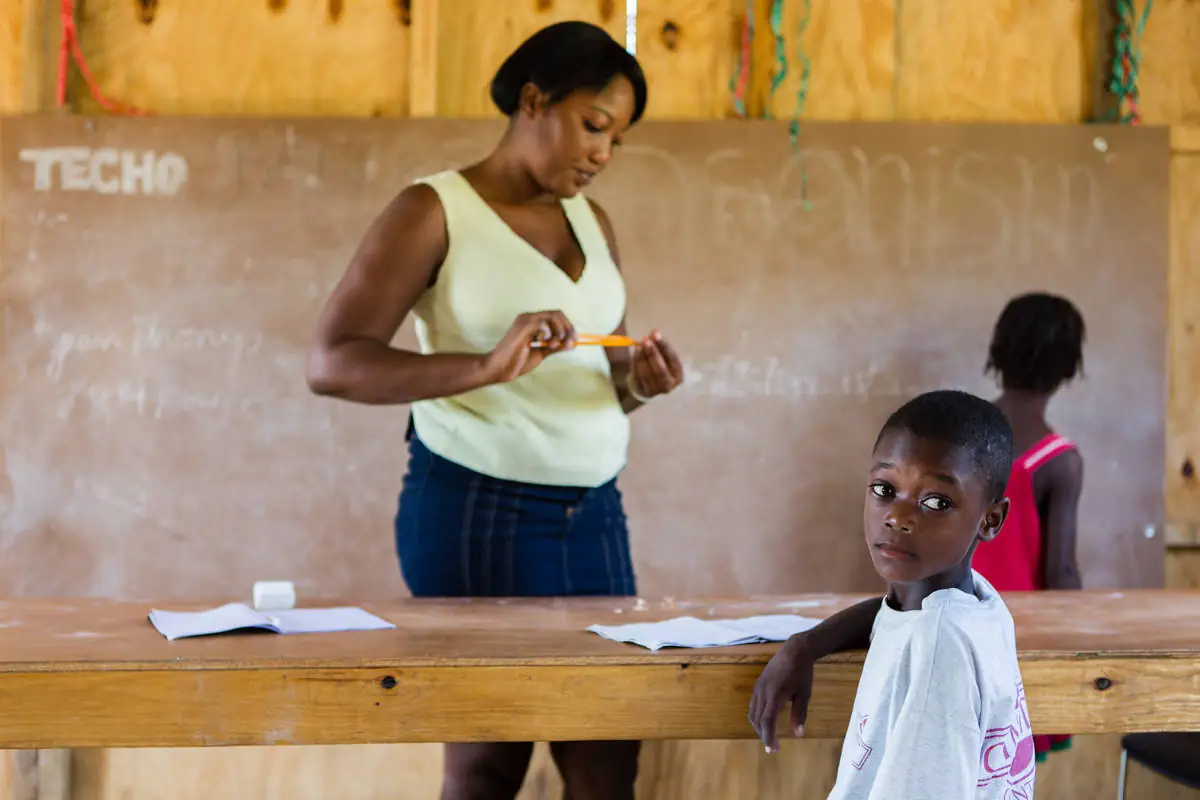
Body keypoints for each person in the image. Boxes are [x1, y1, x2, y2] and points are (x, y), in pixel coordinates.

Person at [305, 20, 685, 800]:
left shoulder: (594, 224)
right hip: (478, 510)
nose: (603, 154)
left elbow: (605, 383)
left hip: (595, 514)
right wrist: (482, 367)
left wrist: (640, 385)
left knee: (609, 757)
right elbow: (332, 362)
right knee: (489, 760)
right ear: (534, 100)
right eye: (594, 125)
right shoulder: (434, 209)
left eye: (617, 140)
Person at [749, 389, 1035, 799]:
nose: (898, 517)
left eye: (936, 502)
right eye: (884, 490)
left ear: (990, 519)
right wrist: (806, 645)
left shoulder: (938, 652)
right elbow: (896, 614)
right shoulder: (975, 603)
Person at [972, 291, 1086, 762]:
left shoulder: (957, 436)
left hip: (950, 624)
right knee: (1004, 770)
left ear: (998, 352)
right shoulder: (1059, 461)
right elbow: (1061, 572)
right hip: (1017, 644)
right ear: (1068, 368)